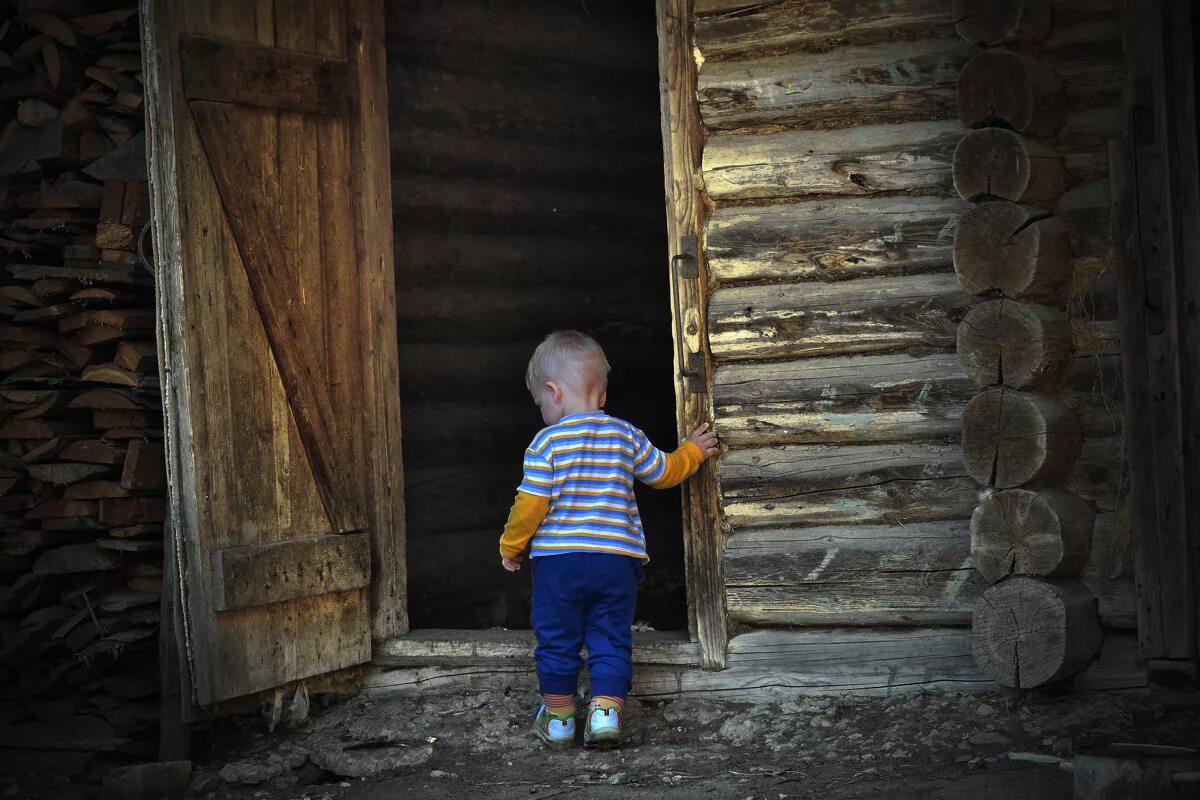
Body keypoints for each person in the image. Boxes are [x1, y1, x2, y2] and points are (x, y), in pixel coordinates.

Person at [498, 330, 719, 749]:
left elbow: (529, 506)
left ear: (554, 392)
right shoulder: (625, 435)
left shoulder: (546, 442)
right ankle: (604, 716)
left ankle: (560, 719)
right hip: (616, 562)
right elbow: (664, 473)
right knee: (610, 635)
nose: (543, 411)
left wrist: (511, 547)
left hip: (559, 564)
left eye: (541, 403)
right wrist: (692, 451)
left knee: (557, 638)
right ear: (601, 395)